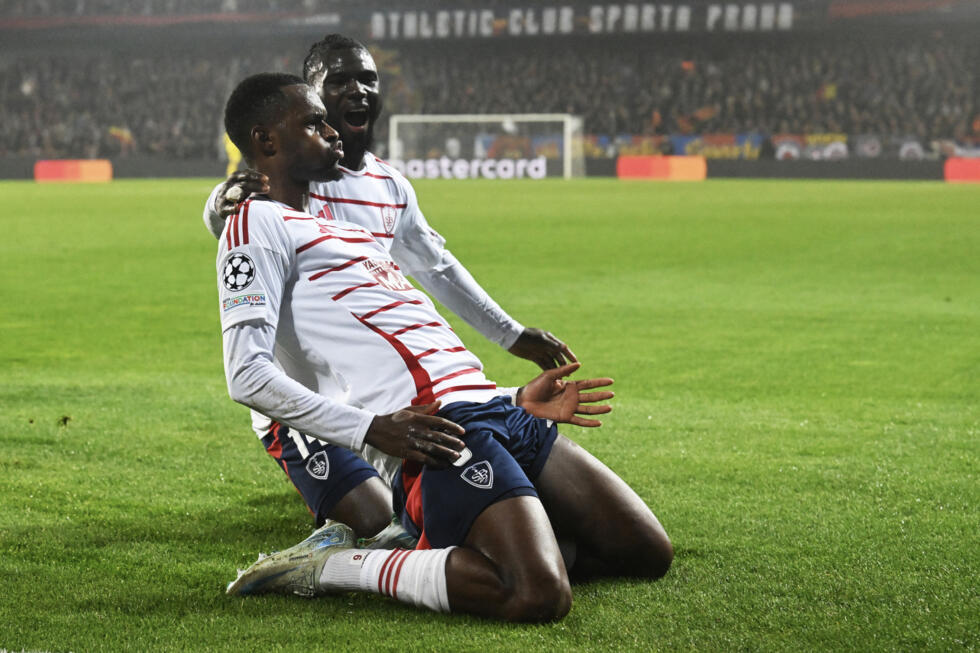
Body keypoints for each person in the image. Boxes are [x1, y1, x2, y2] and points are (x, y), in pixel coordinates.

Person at [217, 73, 672, 622]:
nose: (332, 131)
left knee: (645, 552)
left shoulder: (350, 231)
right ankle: (334, 565)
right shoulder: (255, 224)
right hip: (437, 428)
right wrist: (371, 430)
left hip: (494, 407)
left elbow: (416, 328)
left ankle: (462, 542)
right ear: (266, 140)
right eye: (313, 123)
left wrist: (513, 395)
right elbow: (246, 374)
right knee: (537, 595)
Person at [204, 34, 576, 541]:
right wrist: (218, 201)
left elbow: (436, 267)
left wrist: (510, 334)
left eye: (367, 79)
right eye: (339, 81)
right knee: (379, 522)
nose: (356, 90)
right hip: (305, 397)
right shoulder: (291, 178)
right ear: (310, 93)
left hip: (383, 393)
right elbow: (237, 219)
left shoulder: (389, 187)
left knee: (476, 510)